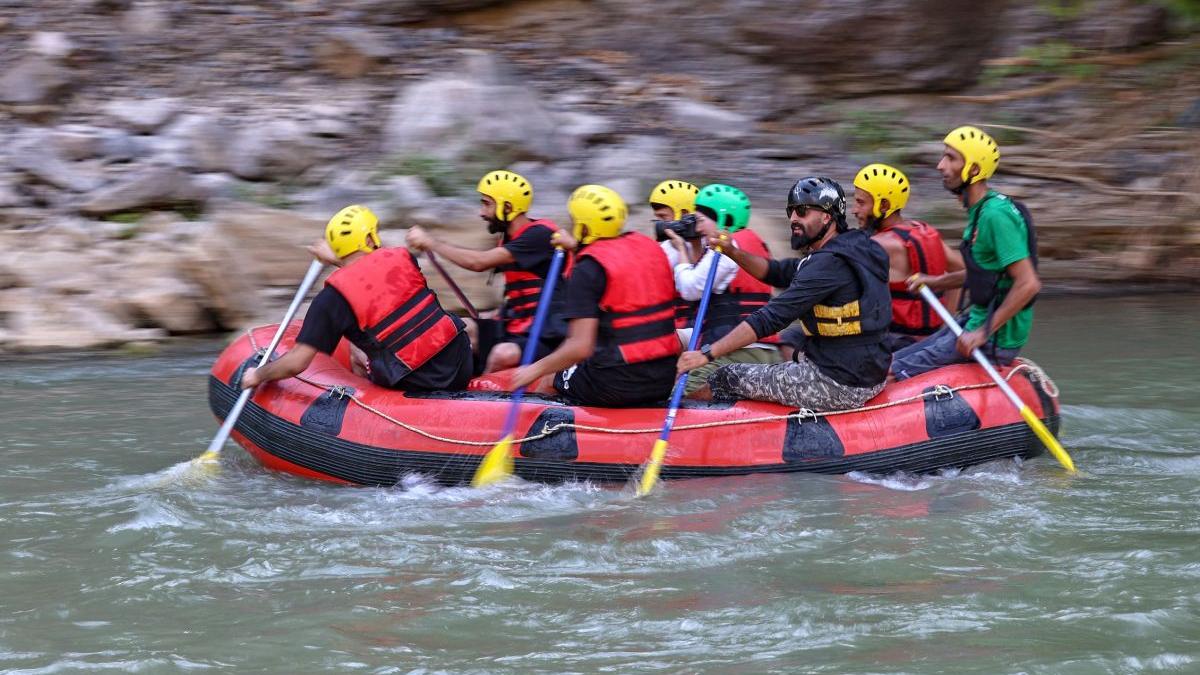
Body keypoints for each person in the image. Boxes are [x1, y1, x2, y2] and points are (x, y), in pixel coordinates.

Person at [676, 177, 891, 411]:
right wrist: (732, 251)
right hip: (867, 373)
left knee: (726, 375)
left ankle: (690, 429)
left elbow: (771, 317)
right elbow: (777, 272)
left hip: (837, 383)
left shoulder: (828, 265)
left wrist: (707, 354)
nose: (793, 219)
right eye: (791, 211)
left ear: (827, 216)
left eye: (802, 211)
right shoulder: (853, 247)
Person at [241, 205, 473, 392]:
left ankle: (366, 407)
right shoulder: (404, 258)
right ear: (370, 240)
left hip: (417, 381)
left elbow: (296, 363)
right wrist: (338, 259)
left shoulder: (330, 300)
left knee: (356, 349)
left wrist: (257, 375)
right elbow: (369, 273)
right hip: (461, 362)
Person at [890, 126, 1041, 381]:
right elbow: (983, 271)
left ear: (973, 169)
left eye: (950, 158)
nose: (940, 165)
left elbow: (1029, 284)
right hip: (976, 319)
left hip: (994, 337)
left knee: (891, 372)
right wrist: (935, 281)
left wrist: (982, 333)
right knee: (894, 360)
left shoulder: (995, 216)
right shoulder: (980, 211)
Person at [511, 185, 681, 407]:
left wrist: (532, 370)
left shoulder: (587, 268)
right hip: (664, 377)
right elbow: (612, 260)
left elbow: (580, 347)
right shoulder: (649, 246)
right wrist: (574, 247)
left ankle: (548, 437)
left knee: (550, 378)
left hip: (617, 384)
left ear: (582, 226)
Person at [405, 170, 566, 375]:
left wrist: (431, 243)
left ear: (507, 207)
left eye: (487, 204)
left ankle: (480, 397)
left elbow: (478, 263)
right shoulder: (510, 239)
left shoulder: (539, 236)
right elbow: (520, 294)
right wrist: (496, 314)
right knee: (461, 327)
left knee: (502, 354)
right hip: (517, 325)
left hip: (547, 335)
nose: (481, 213)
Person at [662, 183, 782, 394]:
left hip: (740, 351)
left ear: (724, 219)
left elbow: (690, 288)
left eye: (701, 221)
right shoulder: (747, 242)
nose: (697, 229)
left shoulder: (728, 248)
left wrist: (681, 248)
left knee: (678, 394)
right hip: (756, 348)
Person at [851, 162, 964, 352]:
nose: (854, 210)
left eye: (861, 203)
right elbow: (962, 271)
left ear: (884, 205)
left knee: (792, 337)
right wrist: (947, 321)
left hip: (897, 343)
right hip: (933, 337)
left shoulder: (879, 245)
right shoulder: (925, 232)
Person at [648, 179, 704, 330]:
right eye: (656, 218)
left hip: (699, 326)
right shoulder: (663, 249)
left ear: (684, 213)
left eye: (663, 217)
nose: (658, 224)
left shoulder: (708, 244)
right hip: (673, 326)